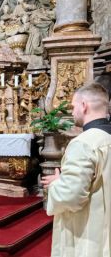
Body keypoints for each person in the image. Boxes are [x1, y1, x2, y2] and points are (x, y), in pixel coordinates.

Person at [41, 83, 111, 257]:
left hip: (89, 233)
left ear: (84, 105)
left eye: (73, 107)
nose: (72, 112)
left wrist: (57, 184)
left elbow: (70, 197)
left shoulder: (83, 143)